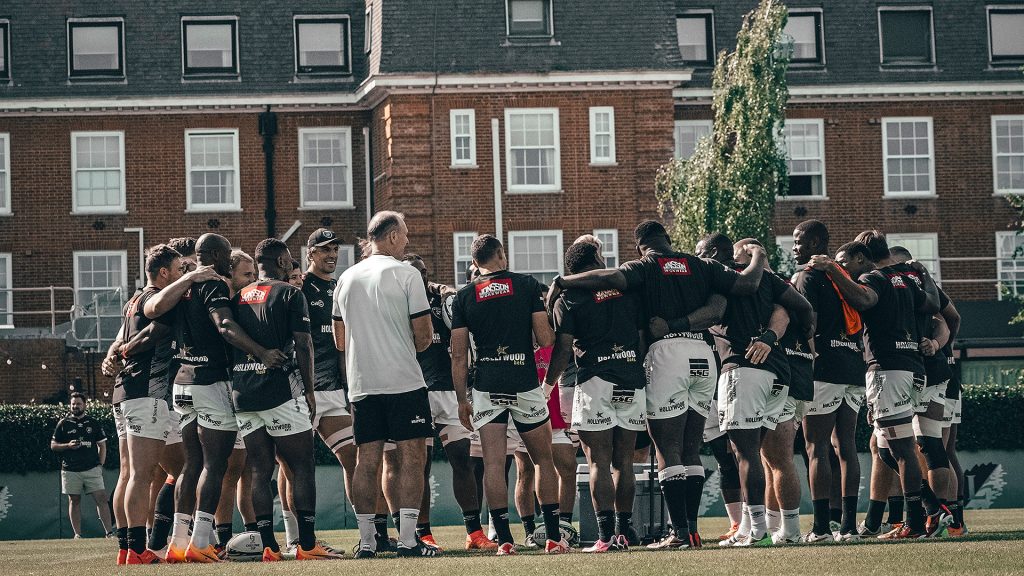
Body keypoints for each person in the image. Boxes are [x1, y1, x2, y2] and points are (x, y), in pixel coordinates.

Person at [548, 221, 764, 549]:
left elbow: (612, 278)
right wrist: (759, 253)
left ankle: (671, 533)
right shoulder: (702, 264)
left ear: (639, 247)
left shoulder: (644, 267)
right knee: (692, 448)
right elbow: (745, 285)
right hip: (703, 355)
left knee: (663, 449)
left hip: (662, 356)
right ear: (669, 239)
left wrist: (562, 281)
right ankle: (690, 532)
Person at [145, 233, 287, 563]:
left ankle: (178, 544)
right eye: (225, 255)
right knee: (216, 465)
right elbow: (224, 326)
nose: (228, 260)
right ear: (215, 256)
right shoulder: (213, 284)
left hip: (182, 383)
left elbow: (152, 310)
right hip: (210, 382)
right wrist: (261, 352)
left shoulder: (182, 286)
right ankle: (199, 543)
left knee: (191, 464)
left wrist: (189, 276)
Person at [810, 234, 939, 540]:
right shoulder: (906, 280)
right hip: (913, 369)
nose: (843, 271)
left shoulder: (873, 278)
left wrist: (830, 269)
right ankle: (932, 508)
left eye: (845, 265)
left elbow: (864, 299)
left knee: (902, 450)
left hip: (888, 370)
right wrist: (925, 274)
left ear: (860, 258)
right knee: (887, 450)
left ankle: (915, 524)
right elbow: (932, 303)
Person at [450, 234, 566, 556]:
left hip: (486, 387)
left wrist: (462, 400)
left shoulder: (464, 297)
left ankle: (504, 541)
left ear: (475, 264)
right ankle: (554, 539)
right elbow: (545, 340)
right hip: (525, 384)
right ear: (502, 254)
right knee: (544, 460)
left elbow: (458, 356)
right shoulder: (527, 285)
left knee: (492, 464)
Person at [332, 211, 439, 558]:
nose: (407, 241)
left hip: (362, 384)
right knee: (412, 459)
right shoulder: (407, 274)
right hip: (404, 381)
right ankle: (408, 540)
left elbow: (339, 340)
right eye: (405, 235)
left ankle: (367, 542)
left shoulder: (345, 278)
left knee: (366, 462)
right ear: (392, 237)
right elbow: (424, 338)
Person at [231, 238, 341, 561]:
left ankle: (269, 546)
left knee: (259, 471)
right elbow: (304, 344)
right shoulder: (291, 293)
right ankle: (307, 545)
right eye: (290, 261)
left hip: (244, 393)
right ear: (281, 262)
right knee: (302, 465)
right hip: (281, 391)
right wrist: (309, 390)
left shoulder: (237, 298)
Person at [701, 235, 813, 548]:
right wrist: (805, 336)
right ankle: (779, 530)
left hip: (743, 368)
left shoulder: (719, 276)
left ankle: (757, 532)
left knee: (745, 454)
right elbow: (802, 309)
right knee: (772, 457)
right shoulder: (771, 279)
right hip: (779, 373)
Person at [546, 241, 644, 552]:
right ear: (597, 259)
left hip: (594, 381)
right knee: (624, 461)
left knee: (598, 461)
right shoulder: (627, 289)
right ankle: (623, 534)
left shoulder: (569, 298)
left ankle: (604, 538)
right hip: (631, 377)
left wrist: (547, 387)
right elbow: (643, 336)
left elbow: (562, 350)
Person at [275, 229, 358, 553]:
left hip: (333, 392)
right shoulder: (298, 286)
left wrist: (349, 390)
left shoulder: (338, 288)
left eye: (335, 248)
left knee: (354, 457)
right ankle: (295, 537)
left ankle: (370, 533)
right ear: (310, 253)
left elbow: (341, 345)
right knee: (291, 467)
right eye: (324, 249)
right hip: (299, 392)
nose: (332, 255)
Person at [403, 254, 494, 551]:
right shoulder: (399, 302)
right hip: (417, 391)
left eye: (425, 272)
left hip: (448, 392)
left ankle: (474, 532)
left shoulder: (442, 298)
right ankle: (424, 532)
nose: (423, 278)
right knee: (422, 466)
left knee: (463, 460)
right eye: (416, 273)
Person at [106, 245, 184, 563]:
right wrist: (121, 353)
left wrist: (114, 353)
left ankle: (128, 549)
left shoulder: (134, 298)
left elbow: (121, 339)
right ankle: (139, 548)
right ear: (164, 273)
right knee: (140, 474)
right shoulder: (159, 300)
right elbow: (151, 334)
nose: (183, 275)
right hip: (146, 393)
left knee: (140, 473)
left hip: (124, 393)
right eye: (180, 270)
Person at [790, 220, 866, 542]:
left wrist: (804, 361)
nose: (794, 247)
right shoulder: (845, 277)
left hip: (824, 368)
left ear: (816, 242)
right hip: (853, 366)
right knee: (846, 445)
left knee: (816, 447)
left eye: (799, 242)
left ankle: (821, 527)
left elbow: (809, 325)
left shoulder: (808, 277)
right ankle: (848, 526)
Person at [213, 250, 258, 553]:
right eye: (246, 275)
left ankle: (254, 535)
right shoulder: (222, 306)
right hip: (220, 391)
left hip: (243, 390)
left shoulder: (248, 304)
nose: (252, 281)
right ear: (229, 276)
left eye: (254, 275)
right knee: (229, 468)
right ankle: (220, 539)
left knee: (247, 469)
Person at [51, 392, 113, 539]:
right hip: (70, 470)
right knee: (74, 500)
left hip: (92, 469)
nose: (75, 406)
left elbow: (102, 445)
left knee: (102, 499)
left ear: (85, 405)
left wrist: (100, 465)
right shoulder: (63, 423)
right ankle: (77, 535)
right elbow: (53, 445)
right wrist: (68, 445)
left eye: (78, 403)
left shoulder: (93, 423)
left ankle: (109, 533)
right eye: (73, 404)